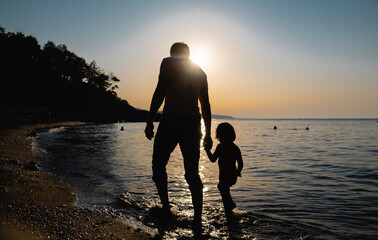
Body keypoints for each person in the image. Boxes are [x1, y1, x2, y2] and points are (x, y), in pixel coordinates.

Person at [144, 42, 212, 229]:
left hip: (171, 122)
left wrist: (150, 120)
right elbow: (205, 105)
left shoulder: (167, 63)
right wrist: (208, 133)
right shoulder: (200, 72)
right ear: (189, 55)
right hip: (192, 124)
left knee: (158, 166)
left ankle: (166, 208)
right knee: (192, 173)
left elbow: (159, 91)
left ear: (173, 53)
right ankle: (197, 219)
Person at [205, 122, 243, 218]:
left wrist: (207, 150)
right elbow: (241, 163)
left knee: (223, 190)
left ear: (219, 135)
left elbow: (213, 159)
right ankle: (230, 207)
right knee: (224, 190)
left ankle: (229, 212)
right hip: (233, 175)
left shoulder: (220, 147)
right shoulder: (235, 147)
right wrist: (238, 172)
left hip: (224, 175)